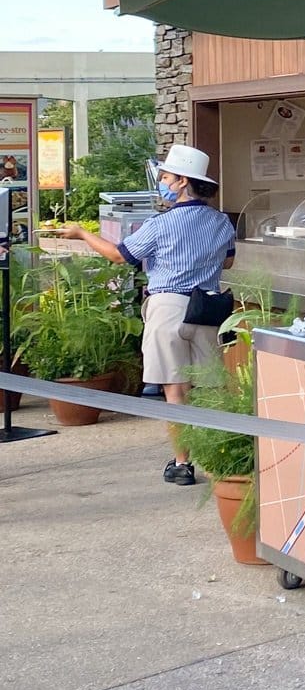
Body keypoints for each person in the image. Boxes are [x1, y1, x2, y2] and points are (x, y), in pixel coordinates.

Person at [57, 145, 235, 486]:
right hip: (207, 309)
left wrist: (82, 233)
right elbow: (228, 261)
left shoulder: (160, 224)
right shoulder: (222, 222)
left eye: (166, 177)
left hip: (168, 308)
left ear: (183, 181)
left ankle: (183, 464)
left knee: (175, 390)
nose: (163, 182)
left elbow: (119, 255)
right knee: (212, 389)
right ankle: (220, 458)